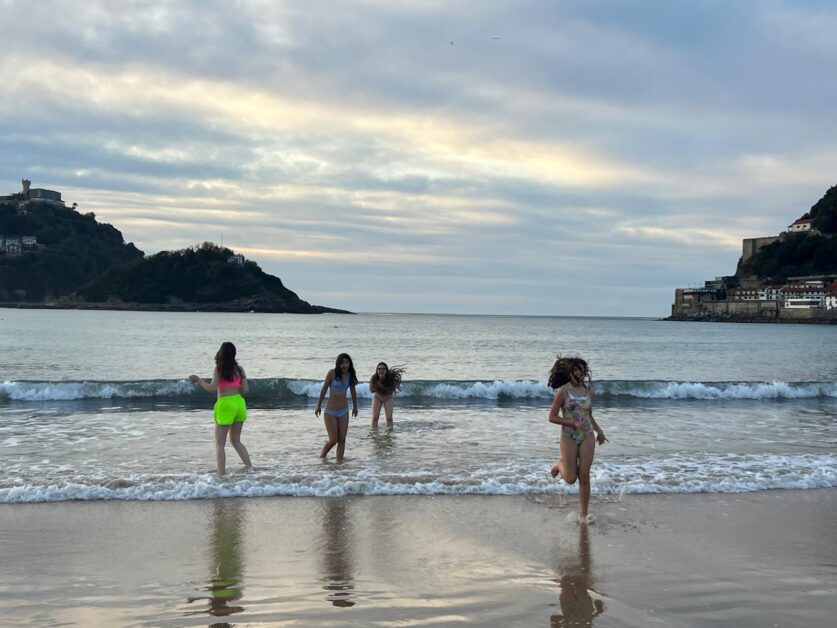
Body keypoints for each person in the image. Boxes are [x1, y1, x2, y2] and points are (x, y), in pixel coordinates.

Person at [547, 355, 607, 523]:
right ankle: (559, 464)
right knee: (571, 479)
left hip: (587, 435)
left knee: (585, 476)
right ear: (569, 372)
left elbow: (589, 416)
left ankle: (583, 515)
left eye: (582, 370)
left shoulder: (588, 392)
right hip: (569, 436)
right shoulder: (563, 392)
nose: (580, 373)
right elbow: (552, 417)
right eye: (576, 370)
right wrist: (571, 423)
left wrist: (600, 431)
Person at [189, 342, 252, 475]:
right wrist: (235, 384)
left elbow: (212, 388)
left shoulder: (219, 369)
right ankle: (250, 468)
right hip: (239, 404)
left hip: (225, 404)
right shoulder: (240, 369)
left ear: (221, 353)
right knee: (236, 441)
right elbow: (246, 389)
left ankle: (221, 475)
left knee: (220, 444)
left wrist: (200, 381)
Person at [315, 353, 358, 461]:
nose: (344, 365)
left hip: (344, 411)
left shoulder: (350, 375)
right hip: (330, 411)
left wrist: (355, 407)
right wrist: (318, 405)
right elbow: (324, 389)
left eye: (347, 362)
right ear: (338, 364)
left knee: (342, 440)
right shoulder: (332, 373)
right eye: (342, 363)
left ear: (349, 364)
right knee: (333, 440)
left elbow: (353, 392)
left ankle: (339, 463)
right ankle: (322, 458)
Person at [369, 362, 405, 429]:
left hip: (388, 397)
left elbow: (391, 390)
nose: (381, 371)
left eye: (383, 369)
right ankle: (374, 432)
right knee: (375, 418)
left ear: (386, 370)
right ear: (377, 370)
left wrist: (381, 387)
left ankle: (390, 432)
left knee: (389, 418)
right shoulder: (374, 377)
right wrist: (378, 386)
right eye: (379, 369)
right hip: (377, 397)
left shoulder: (390, 378)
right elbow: (371, 390)